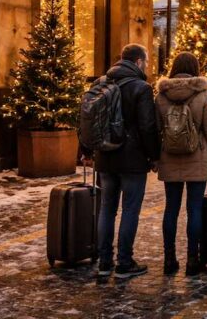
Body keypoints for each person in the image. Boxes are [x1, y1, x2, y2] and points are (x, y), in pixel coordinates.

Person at [84, 44, 160, 279]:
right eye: (145, 62)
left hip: (105, 157)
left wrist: (87, 150)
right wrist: (154, 156)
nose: (146, 66)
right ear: (138, 62)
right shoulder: (141, 88)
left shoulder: (100, 84)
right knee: (129, 210)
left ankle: (105, 262)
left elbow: (88, 118)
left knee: (107, 209)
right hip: (132, 160)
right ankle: (124, 263)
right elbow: (148, 127)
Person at [155, 52, 207, 276]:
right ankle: (192, 261)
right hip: (198, 157)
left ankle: (169, 259)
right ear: (195, 68)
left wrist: (155, 158)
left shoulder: (161, 96)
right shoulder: (203, 95)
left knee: (171, 209)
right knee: (194, 209)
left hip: (169, 157)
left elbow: (155, 130)